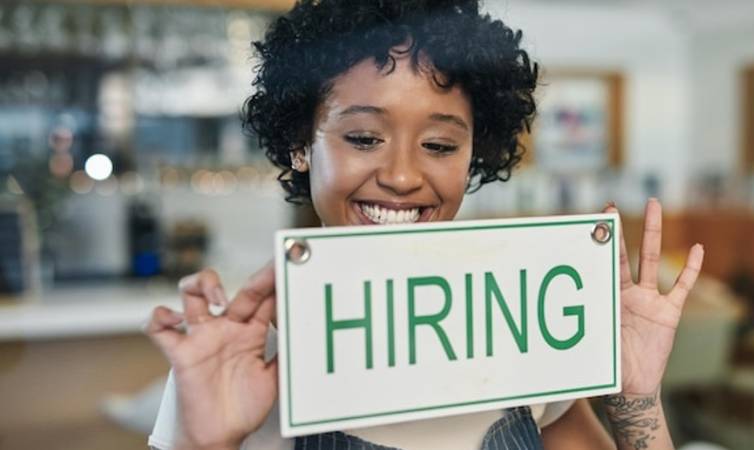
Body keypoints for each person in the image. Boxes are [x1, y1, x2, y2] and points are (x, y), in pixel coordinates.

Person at [145, 1, 705, 449]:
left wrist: (637, 399)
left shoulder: (517, 322)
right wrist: (204, 442)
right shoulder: (240, 354)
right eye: (364, 138)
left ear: (474, 154)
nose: (402, 176)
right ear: (299, 144)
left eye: (439, 144)